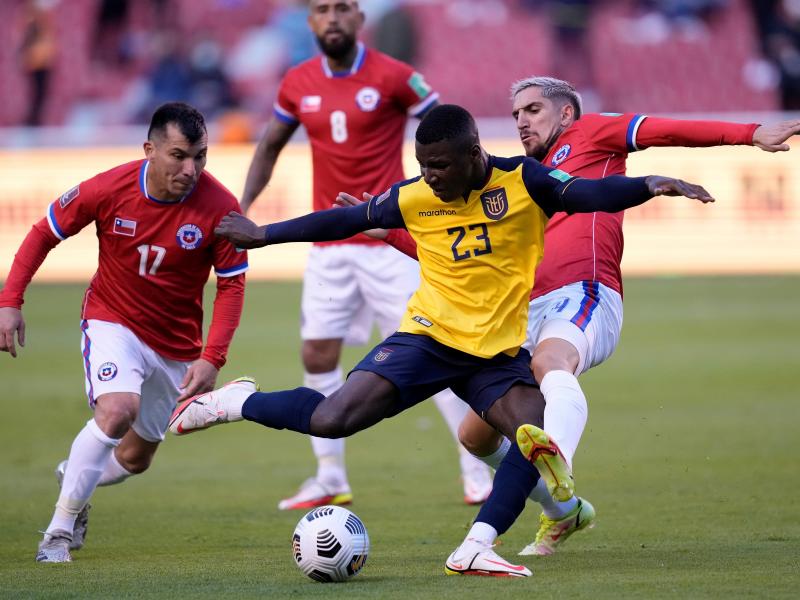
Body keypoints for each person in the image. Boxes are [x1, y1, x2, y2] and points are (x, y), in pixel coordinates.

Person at [169, 103, 714, 576]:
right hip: (427, 340)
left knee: (536, 439)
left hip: (495, 356)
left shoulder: (524, 182)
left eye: (440, 165)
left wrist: (647, 184)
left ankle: (477, 546)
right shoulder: (413, 197)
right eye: (423, 165)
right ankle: (236, 401)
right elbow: (345, 220)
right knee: (333, 419)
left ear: (474, 154)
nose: (430, 176)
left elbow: (590, 191)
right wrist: (265, 234)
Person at [445, 76, 800, 557]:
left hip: (586, 292)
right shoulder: (525, 176)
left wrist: (751, 132)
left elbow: (664, 129)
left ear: (566, 113)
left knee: (550, 364)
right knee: (475, 434)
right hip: (528, 310)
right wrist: (387, 233)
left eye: (532, 110)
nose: (522, 122)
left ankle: (556, 457)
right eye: (516, 115)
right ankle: (562, 510)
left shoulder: (592, 132)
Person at [238, 0, 493, 509]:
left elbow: (454, 133)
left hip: (387, 241)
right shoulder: (297, 83)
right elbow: (269, 145)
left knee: (431, 354)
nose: (332, 18)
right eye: (322, 10)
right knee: (317, 353)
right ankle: (329, 475)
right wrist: (244, 207)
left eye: (343, 8)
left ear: (360, 19)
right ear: (309, 22)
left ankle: (476, 472)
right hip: (330, 245)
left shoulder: (396, 76)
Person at [0, 102, 249, 563]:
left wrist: (212, 356)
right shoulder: (108, 188)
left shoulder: (220, 207)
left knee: (136, 459)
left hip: (175, 345)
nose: (190, 169)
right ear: (149, 149)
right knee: (117, 410)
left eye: (200, 156)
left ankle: (74, 472)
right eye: (179, 155)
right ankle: (58, 531)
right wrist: (10, 301)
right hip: (112, 319)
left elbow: (232, 285)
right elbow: (43, 233)